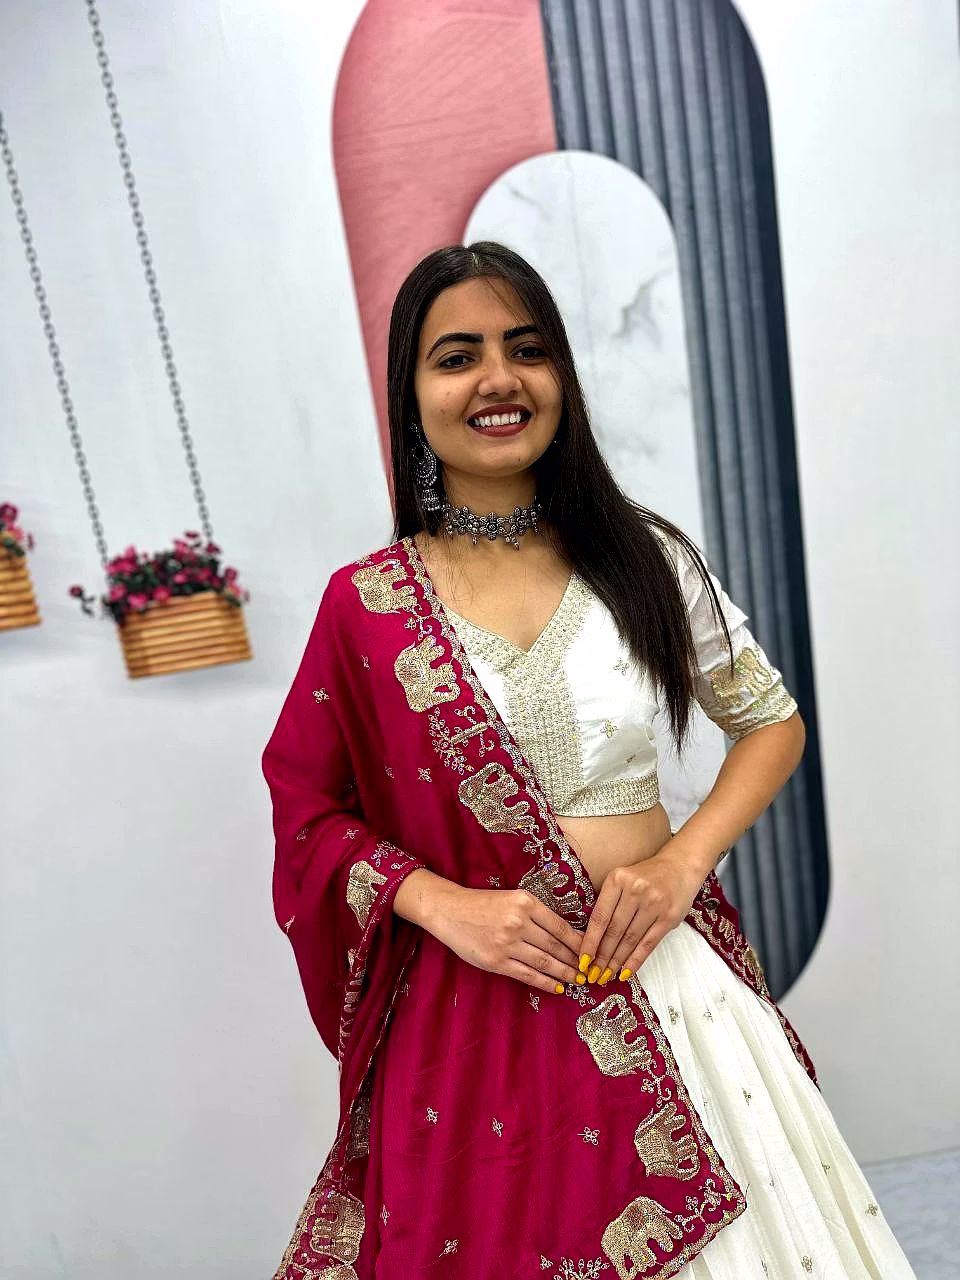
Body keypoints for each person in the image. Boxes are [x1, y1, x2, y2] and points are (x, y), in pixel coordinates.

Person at [262, 242, 914, 1279]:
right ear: (411, 393)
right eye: (457, 356)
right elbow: (307, 806)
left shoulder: (643, 556)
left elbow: (771, 722)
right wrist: (441, 903)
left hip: (662, 978)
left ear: (562, 373)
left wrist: (682, 863)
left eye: (526, 349)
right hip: (478, 1009)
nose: (498, 379)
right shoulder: (369, 604)